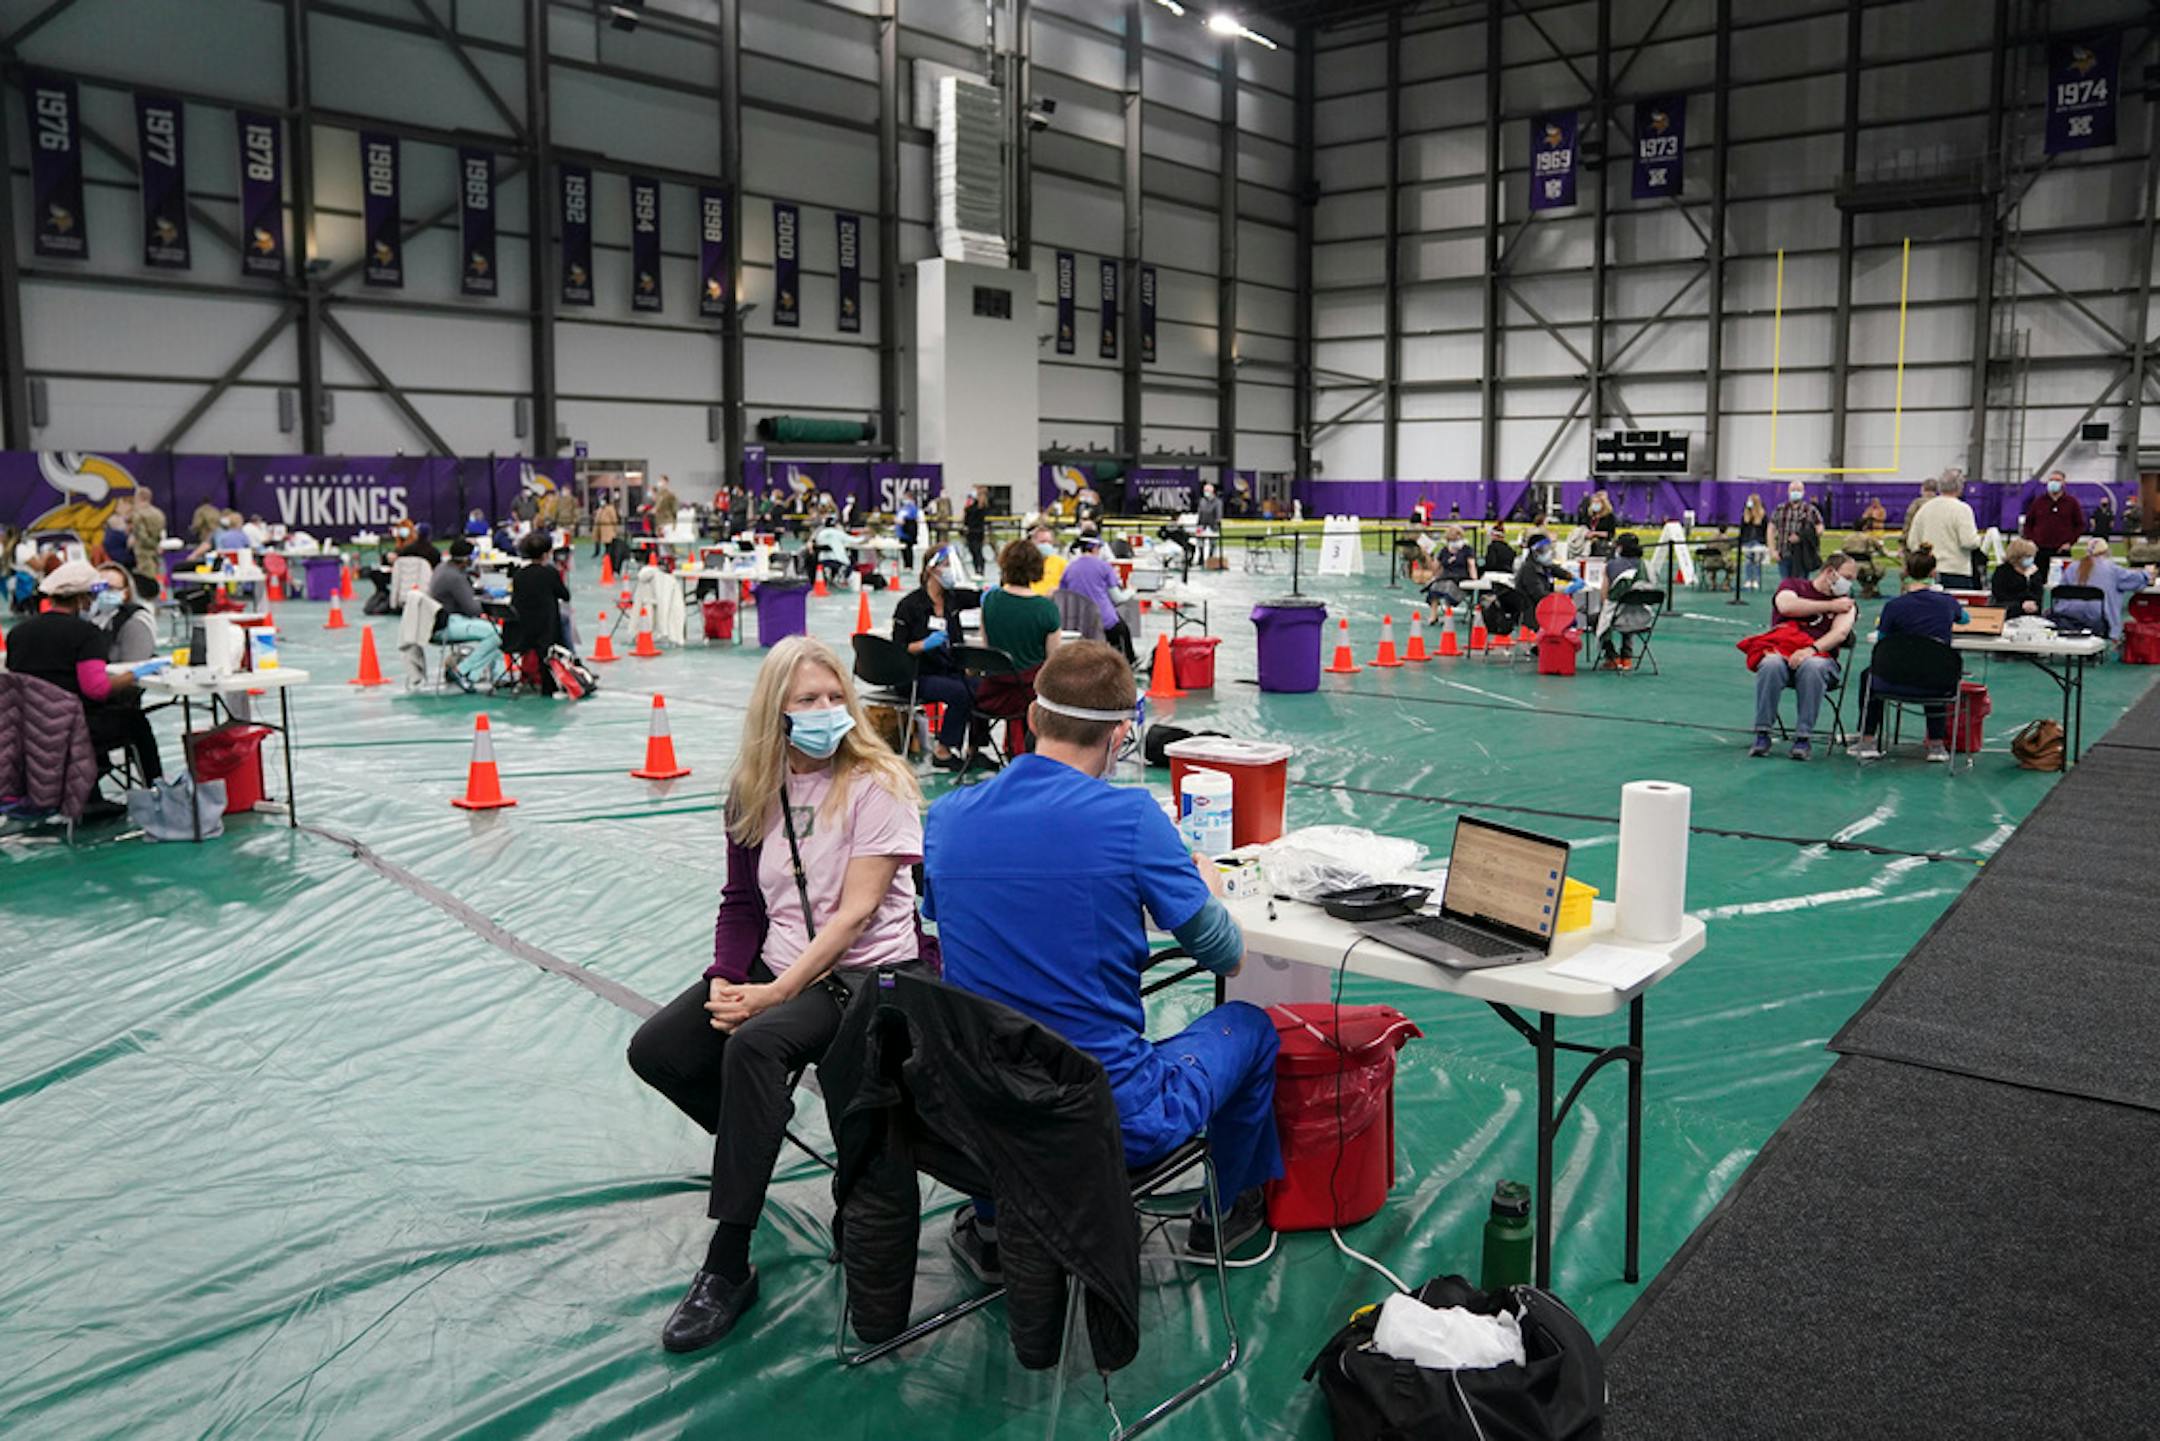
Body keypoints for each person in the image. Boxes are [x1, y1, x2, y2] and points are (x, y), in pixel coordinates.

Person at [923, 640, 1280, 1271]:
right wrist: (1198, 884)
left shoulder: (948, 816)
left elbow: (944, 917)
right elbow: (1225, 954)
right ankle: (1222, 1215)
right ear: (1122, 735)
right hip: (1107, 1114)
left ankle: (993, 1224)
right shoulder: (1132, 819)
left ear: (1032, 720)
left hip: (976, 1111)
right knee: (1247, 1026)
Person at [627, 636, 926, 1352]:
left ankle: (726, 1265)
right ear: (776, 713)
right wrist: (727, 979)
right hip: (781, 962)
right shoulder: (753, 789)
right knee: (658, 1048)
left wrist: (769, 997)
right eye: (808, 701)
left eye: (834, 697)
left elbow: (856, 914)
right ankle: (756, 1128)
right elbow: (741, 903)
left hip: (864, 975)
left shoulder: (878, 784)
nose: (827, 711)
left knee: (756, 1046)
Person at [8, 560, 165, 795]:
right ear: (82, 599)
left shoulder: (18, 633)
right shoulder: (86, 634)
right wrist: (135, 674)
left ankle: (90, 794)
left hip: (30, 728)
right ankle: (158, 789)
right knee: (134, 722)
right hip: (74, 729)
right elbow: (96, 689)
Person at [1854, 546, 1967, 763]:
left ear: (1905, 572)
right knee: (1937, 669)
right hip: (1935, 679)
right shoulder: (1947, 602)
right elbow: (1965, 619)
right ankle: (1936, 745)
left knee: (1868, 676)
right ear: (1933, 574)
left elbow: (1882, 639)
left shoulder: (1894, 606)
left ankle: (1867, 739)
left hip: (1894, 678)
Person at [1749, 552, 1859, 761]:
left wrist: (1811, 650)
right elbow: (1787, 606)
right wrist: (1829, 606)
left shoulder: (1846, 603)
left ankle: (1803, 738)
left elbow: (1840, 633)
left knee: (1813, 666)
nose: (1850, 584)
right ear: (1830, 572)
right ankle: (1762, 734)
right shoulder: (1792, 585)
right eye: (1848, 577)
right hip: (1783, 656)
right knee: (1771, 663)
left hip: (1822, 661)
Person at [892, 546, 982, 772]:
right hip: (916, 674)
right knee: (961, 692)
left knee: (984, 688)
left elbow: (985, 597)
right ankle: (943, 750)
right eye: (947, 565)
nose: (951, 571)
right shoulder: (909, 605)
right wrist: (923, 644)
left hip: (947, 669)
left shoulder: (953, 599)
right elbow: (897, 649)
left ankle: (974, 748)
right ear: (932, 569)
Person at [427, 539, 503, 693]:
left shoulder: (443, 568)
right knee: (497, 634)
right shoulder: (455, 578)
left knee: (496, 634)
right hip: (446, 624)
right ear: (466, 560)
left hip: (439, 619)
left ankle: (484, 675)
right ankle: (462, 671)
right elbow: (473, 609)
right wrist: (490, 599)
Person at [982, 539, 1063, 679]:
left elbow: (986, 648)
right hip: (1031, 687)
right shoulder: (1047, 609)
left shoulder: (990, 600)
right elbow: (1053, 663)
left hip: (995, 686)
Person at [2052, 536, 2155, 639]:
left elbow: (2060, 592)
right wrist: (2148, 573)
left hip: (2067, 618)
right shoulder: (2112, 569)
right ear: (2107, 551)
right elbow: (2136, 580)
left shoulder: (2071, 567)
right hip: (2099, 621)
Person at [504, 530, 570, 678]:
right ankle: (572, 662)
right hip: (544, 633)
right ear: (546, 554)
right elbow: (565, 595)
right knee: (564, 619)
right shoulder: (550, 573)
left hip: (519, 633)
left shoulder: (519, 575)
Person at [1056, 537, 1134, 661]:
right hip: (1104, 620)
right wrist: (1131, 590)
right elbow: (1118, 598)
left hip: (1077, 621)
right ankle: (1129, 662)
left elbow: (1063, 595)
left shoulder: (1069, 568)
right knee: (1123, 632)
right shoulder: (1104, 567)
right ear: (1095, 548)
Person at [1907, 472, 1982, 587]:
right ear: (1960, 487)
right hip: (1956, 572)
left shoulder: (1925, 508)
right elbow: (1969, 542)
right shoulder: (1962, 509)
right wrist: (1980, 540)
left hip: (1927, 572)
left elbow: (1912, 542)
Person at [92, 560, 158, 664]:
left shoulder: (136, 623)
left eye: (111, 588)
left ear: (125, 593)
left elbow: (133, 667)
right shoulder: (92, 617)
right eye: (99, 588)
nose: (104, 593)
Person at [1598, 532, 1646, 669]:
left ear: (1620, 547)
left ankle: (1611, 657)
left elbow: (1604, 594)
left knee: (1597, 619)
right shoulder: (1644, 565)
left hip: (1617, 614)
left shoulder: (1612, 565)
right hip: (1642, 615)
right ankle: (1627, 658)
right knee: (1629, 612)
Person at [2021, 471, 2085, 557]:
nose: (2054, 482)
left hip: (2062, 550)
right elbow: (2028, 523)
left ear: (2064, 483)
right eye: (2051, 480)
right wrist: (2031, 541)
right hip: (2040, 550)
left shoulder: (2072, 502)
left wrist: (2070, 542)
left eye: (2057, 480)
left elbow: (2079, 525)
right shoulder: (2038, 502)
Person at [1768, 483, 1824, 581]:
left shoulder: (1810, 510)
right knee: (1786, 584)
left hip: (1803, 555)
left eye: (1798, 490)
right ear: (1788, 492)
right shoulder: (1780, 509)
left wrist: (1803, 536)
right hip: (1783, 553)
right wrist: (1772, 550)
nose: (1795, 492)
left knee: (1801, 584)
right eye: (1793, 490)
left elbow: (1820, 528)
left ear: (1803, 492)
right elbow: (1770, 529)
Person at [1423, 525, 1475, 620]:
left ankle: (1448, 613)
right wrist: (1428, 556)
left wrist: (1474, 580)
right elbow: (1435, 567)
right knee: (1435, 586)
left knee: (1449, 586)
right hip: (1445, 576)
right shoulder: (1444, 551)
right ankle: (1433, 615)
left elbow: (1471, 565)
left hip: (1460, 578)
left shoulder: (1467, 550)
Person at [1990, 537, 2047, 617]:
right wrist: (2021, 605)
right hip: (2009, 612)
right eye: (2028, 556)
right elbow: (2000, 596)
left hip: (2032, 614)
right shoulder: (2002, 572)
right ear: (2018, 556)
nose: (2031, 559)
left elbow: (2038, 594)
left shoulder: (2034, 572)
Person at [1901, 475, 1941, 553]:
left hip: (1918, 545)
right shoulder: (1942, 504)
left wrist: (1902, 544)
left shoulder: (1916, 504)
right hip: (1938, 546)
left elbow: (1908, 524)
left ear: (1922, 489)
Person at [1738, 494, 1770, 590]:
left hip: (1758, 541)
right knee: (1748, 561)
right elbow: (1742, 529)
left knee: (1756, 561)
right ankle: (1748, 580)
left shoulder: (1763, 516)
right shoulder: (1745, 515)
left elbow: (1766, 529)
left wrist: (1766, 543)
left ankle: (1756, 580)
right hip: (1747, 541)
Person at [811, 518, 853, 585]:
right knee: (848, 562)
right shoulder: (821, 531)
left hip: (827, 558)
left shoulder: (836, 531)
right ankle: (839, 577)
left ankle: (837, 576)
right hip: (831, 558)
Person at [1196, 481, 1224, 568]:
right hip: (1202, 525)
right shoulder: (1202, 501)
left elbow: (1219, 515)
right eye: (1205, 490)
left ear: (1212, 491)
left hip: (1213, 526)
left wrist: (1215, 523)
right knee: (1200, 542)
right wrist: (1198, 525)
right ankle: (1200, 558)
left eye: (1207, 490)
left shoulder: (1218, 502)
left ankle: (1210, 559)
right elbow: (1200, 513)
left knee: (1213, 544)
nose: (1205, 492)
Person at [962, 486, 989, 572]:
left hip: (978, 532)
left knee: (977, 551)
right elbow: (966, 518)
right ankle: (976, 569)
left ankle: (980, 569)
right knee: (973, 551)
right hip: (970, 532)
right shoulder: (971, 507)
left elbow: (977, 513)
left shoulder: (981, 508)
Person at [895, 494, 922, 571]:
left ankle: (909, 565)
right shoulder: (902, 508)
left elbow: (912, 519)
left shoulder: (913, 508)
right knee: (903, 550)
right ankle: (905, 565)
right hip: (901, 533)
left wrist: (904, 521)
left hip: (908, 533)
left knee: (908, 549)